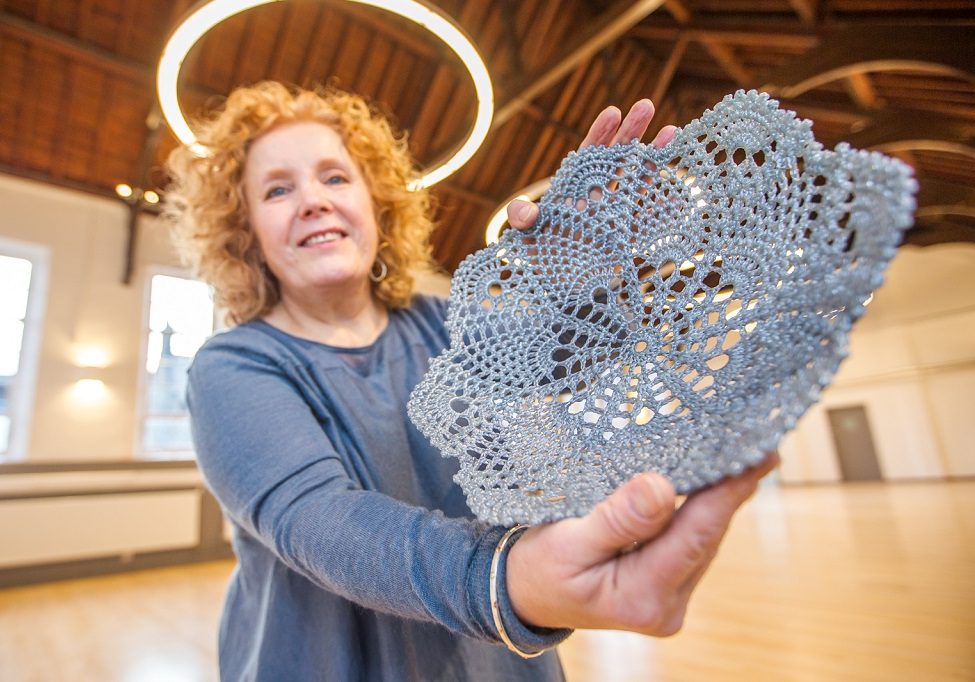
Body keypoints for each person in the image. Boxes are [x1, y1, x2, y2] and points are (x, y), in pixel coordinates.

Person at [165, 80, 777, 681]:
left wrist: (574, 284)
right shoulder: (233, 365)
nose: (313, 200)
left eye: (334, 177)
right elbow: (316, 519)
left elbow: (565, 360)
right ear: (245, 235)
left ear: (376, 203)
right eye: (277, 189)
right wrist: (510, 577)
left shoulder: (451, 323)